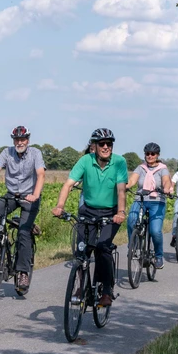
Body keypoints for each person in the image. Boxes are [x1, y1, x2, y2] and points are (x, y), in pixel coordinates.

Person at [52, 128, 127, 307]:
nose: (106, 147)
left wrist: (121, 212)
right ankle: (81, 287)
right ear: (94, 145)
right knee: (82, 251)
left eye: (109, 144)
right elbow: (68, 184)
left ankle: (107, 290)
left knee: (102, 247)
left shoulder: (119, 162)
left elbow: (121, 189)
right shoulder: (85, 161)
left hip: (111, 212)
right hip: (88, 211)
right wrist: (60, 206)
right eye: (102, 144)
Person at [0, 125, 45, 293]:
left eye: (22, 139)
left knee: (23, 232)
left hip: (29, 197)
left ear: (27, 140)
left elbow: (41, 174)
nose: (19, 142)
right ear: (13, 140)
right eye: (16, 139)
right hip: (12, 195)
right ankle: (0, 240)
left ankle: (22, 272)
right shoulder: (7, 153)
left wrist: (35, 195)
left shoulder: (35, 153)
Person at [127, 142, 173, 268]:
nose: (150, 156)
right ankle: (134, 247)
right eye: (147, 154)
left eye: (153, 154)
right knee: (131, 220)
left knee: (155, 231)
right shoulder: (140, 168)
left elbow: (166, 181)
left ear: (157, 155)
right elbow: (132, 180)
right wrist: (126, 186)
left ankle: (158, 256)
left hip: (157, 201)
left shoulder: (162, 169)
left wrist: (167, 189)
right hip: (140, 199)